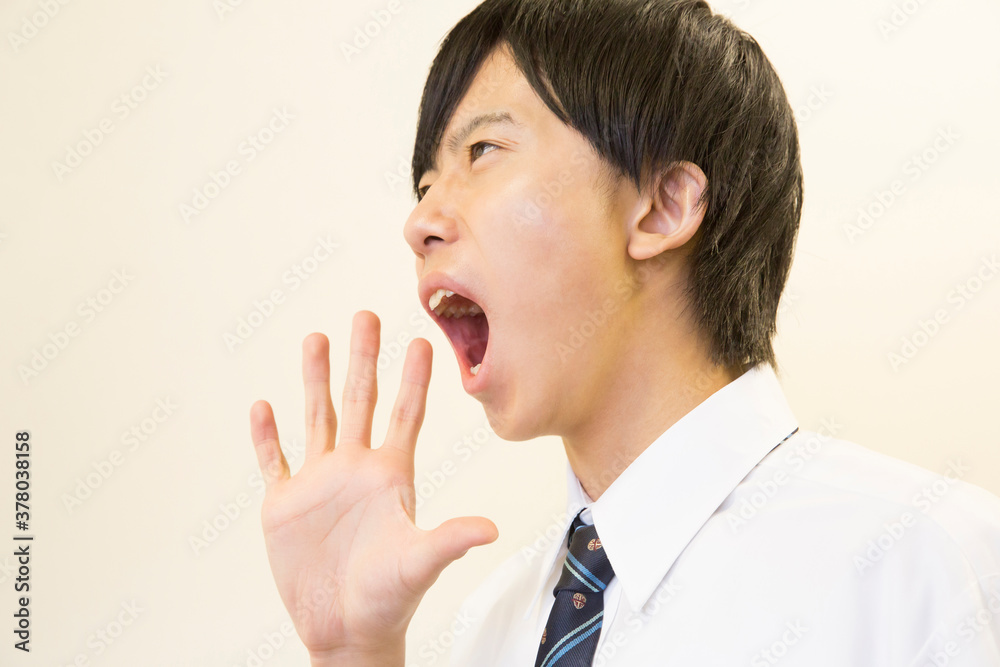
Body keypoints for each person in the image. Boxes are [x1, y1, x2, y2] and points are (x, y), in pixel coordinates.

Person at [249, 0, 1000, 664]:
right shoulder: (495, 626)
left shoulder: (926, 561)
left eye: (482, 151)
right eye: (423, 185)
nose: (420, 222)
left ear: (663, 206)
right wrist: (352, 655)